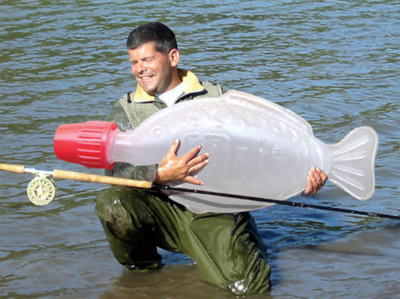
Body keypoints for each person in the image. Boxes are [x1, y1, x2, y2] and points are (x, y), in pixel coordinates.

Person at [95, 22, 327, 295]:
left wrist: (304, 178)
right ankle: (143, 272)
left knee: (250, 288)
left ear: (173, 57)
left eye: (147, 59)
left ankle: (241, 242)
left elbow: (255, 154)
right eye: (133, 62)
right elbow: (114, 174)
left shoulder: (215, 99)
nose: (139, 69)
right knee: (112, 203)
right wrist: (158, 175)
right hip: (158, 208)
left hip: (212, 206)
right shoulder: (125, 110)